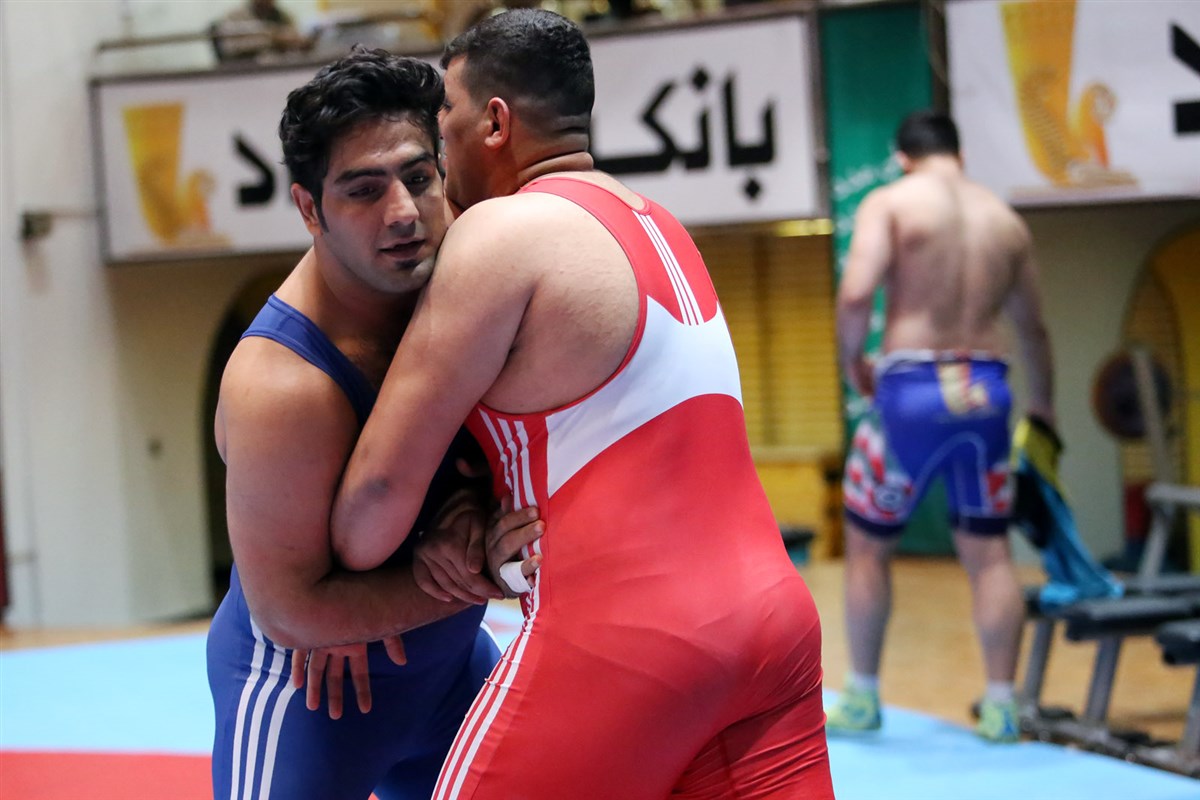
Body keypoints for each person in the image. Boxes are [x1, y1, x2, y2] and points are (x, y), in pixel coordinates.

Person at [329, 9, 834, 798]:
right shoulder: (660, 225)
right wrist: (471, 511)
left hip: (629, 639)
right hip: (776, 630)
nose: (438, 145)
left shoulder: (500, 234)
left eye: (445, 118)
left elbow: (378, 495)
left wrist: (343, 586)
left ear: (495, 122)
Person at [206, 47, 541, 800]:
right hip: (309, 697)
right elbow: (293, 611)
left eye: (418, 179)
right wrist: (477, 576)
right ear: (308, 209)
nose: (403, 214)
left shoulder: (478, 261)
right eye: (363, 191)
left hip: (450, 674)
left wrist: (467, 512)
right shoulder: (280, 385)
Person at [828, 110, 1055, 743]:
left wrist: (853, 362)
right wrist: (1044, 405)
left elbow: (856, 293)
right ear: (961, 154)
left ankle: (863, 696)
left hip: (911, 392)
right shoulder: (1004, 220)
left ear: (902, 157)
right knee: (990, 554)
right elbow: (1033, 328)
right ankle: (1003, 704)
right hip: (986, 392)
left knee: (868, 547)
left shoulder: (892, 201)